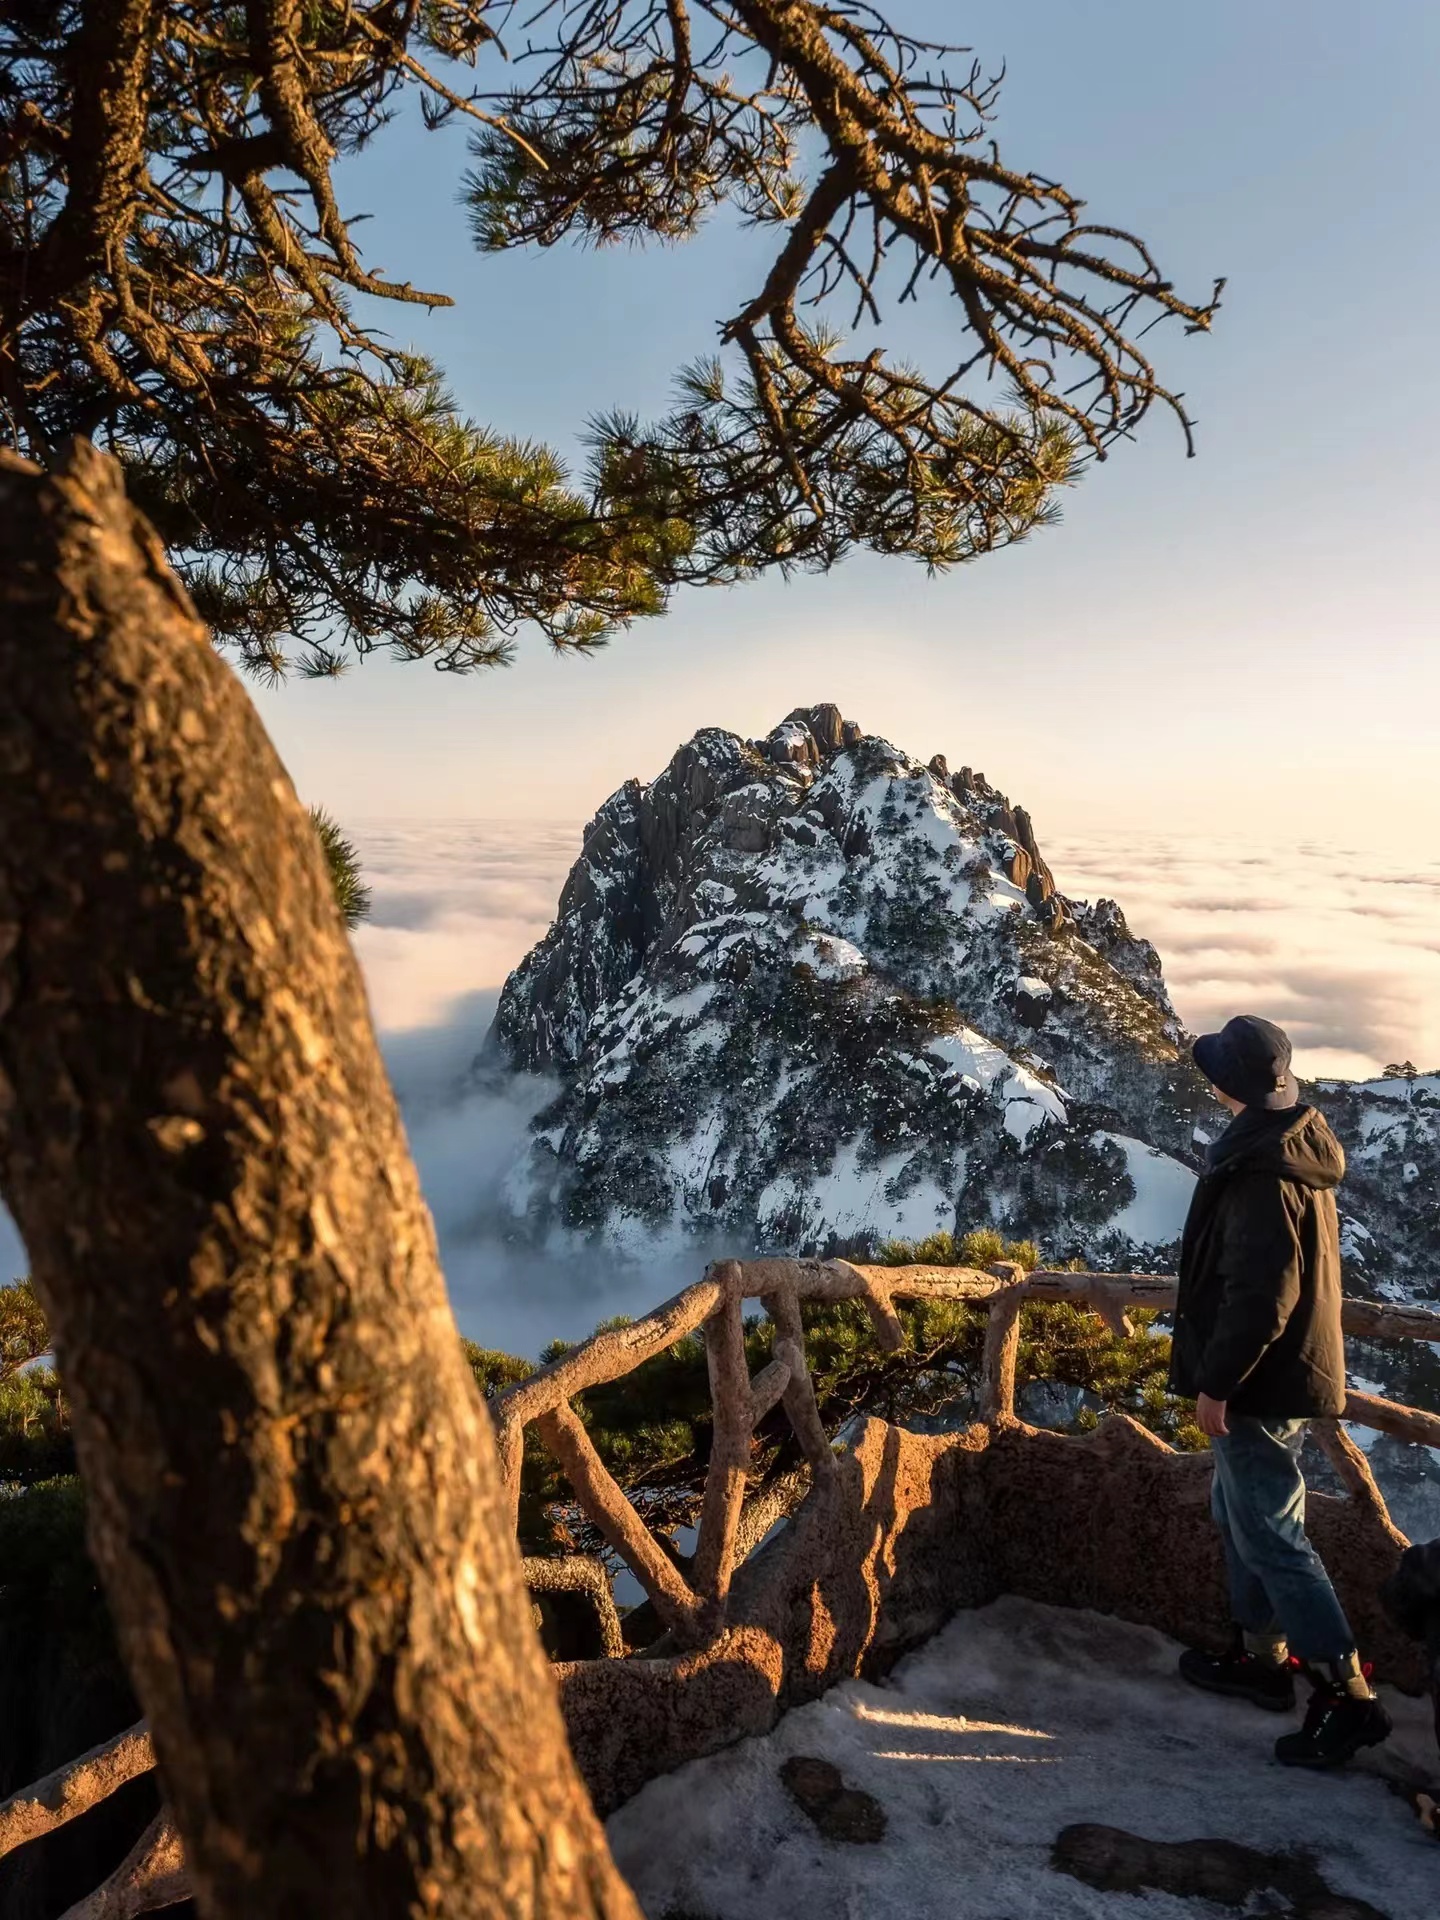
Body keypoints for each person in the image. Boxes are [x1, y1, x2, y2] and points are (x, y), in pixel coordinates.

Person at [1169, 1013, 1392, 1768]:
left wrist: (1216, 1384)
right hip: (1280, 1372)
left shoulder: (1263, 1175)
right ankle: (1264, 1659)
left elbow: (1261, 1297)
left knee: (1272, 1532)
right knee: (1240, 1512)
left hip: (1261, 1381)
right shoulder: (1287, 1145)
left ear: (1228, 1087)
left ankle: (1347, 1695)